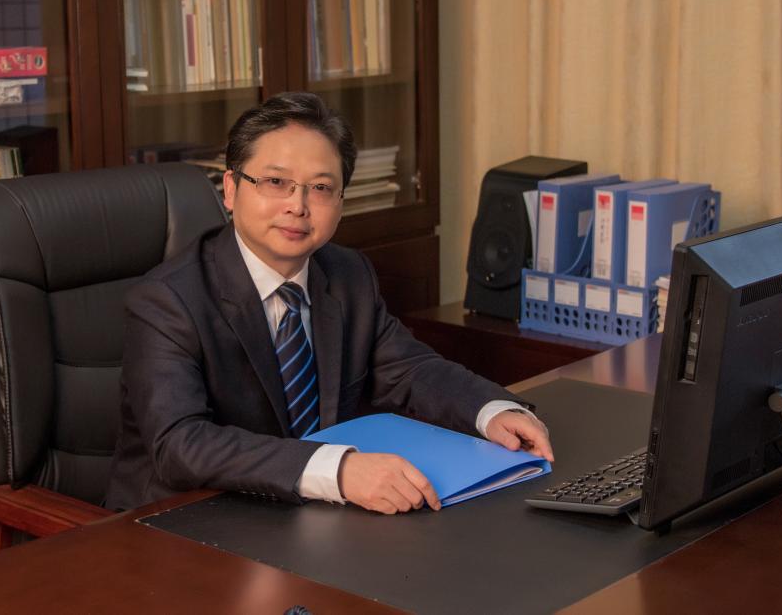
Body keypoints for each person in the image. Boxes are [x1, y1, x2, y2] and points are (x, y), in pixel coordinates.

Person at [105, 92, 552, 514]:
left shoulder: (346, 274)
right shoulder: (167, 300)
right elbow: (180, 444)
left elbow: (409, 368)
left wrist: (492, 411)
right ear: (231, 188)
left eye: (320, 188)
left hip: (302, 516)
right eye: (275, 182)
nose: (297, 206)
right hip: (180, 522)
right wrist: (338, 470)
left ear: (340, 202)